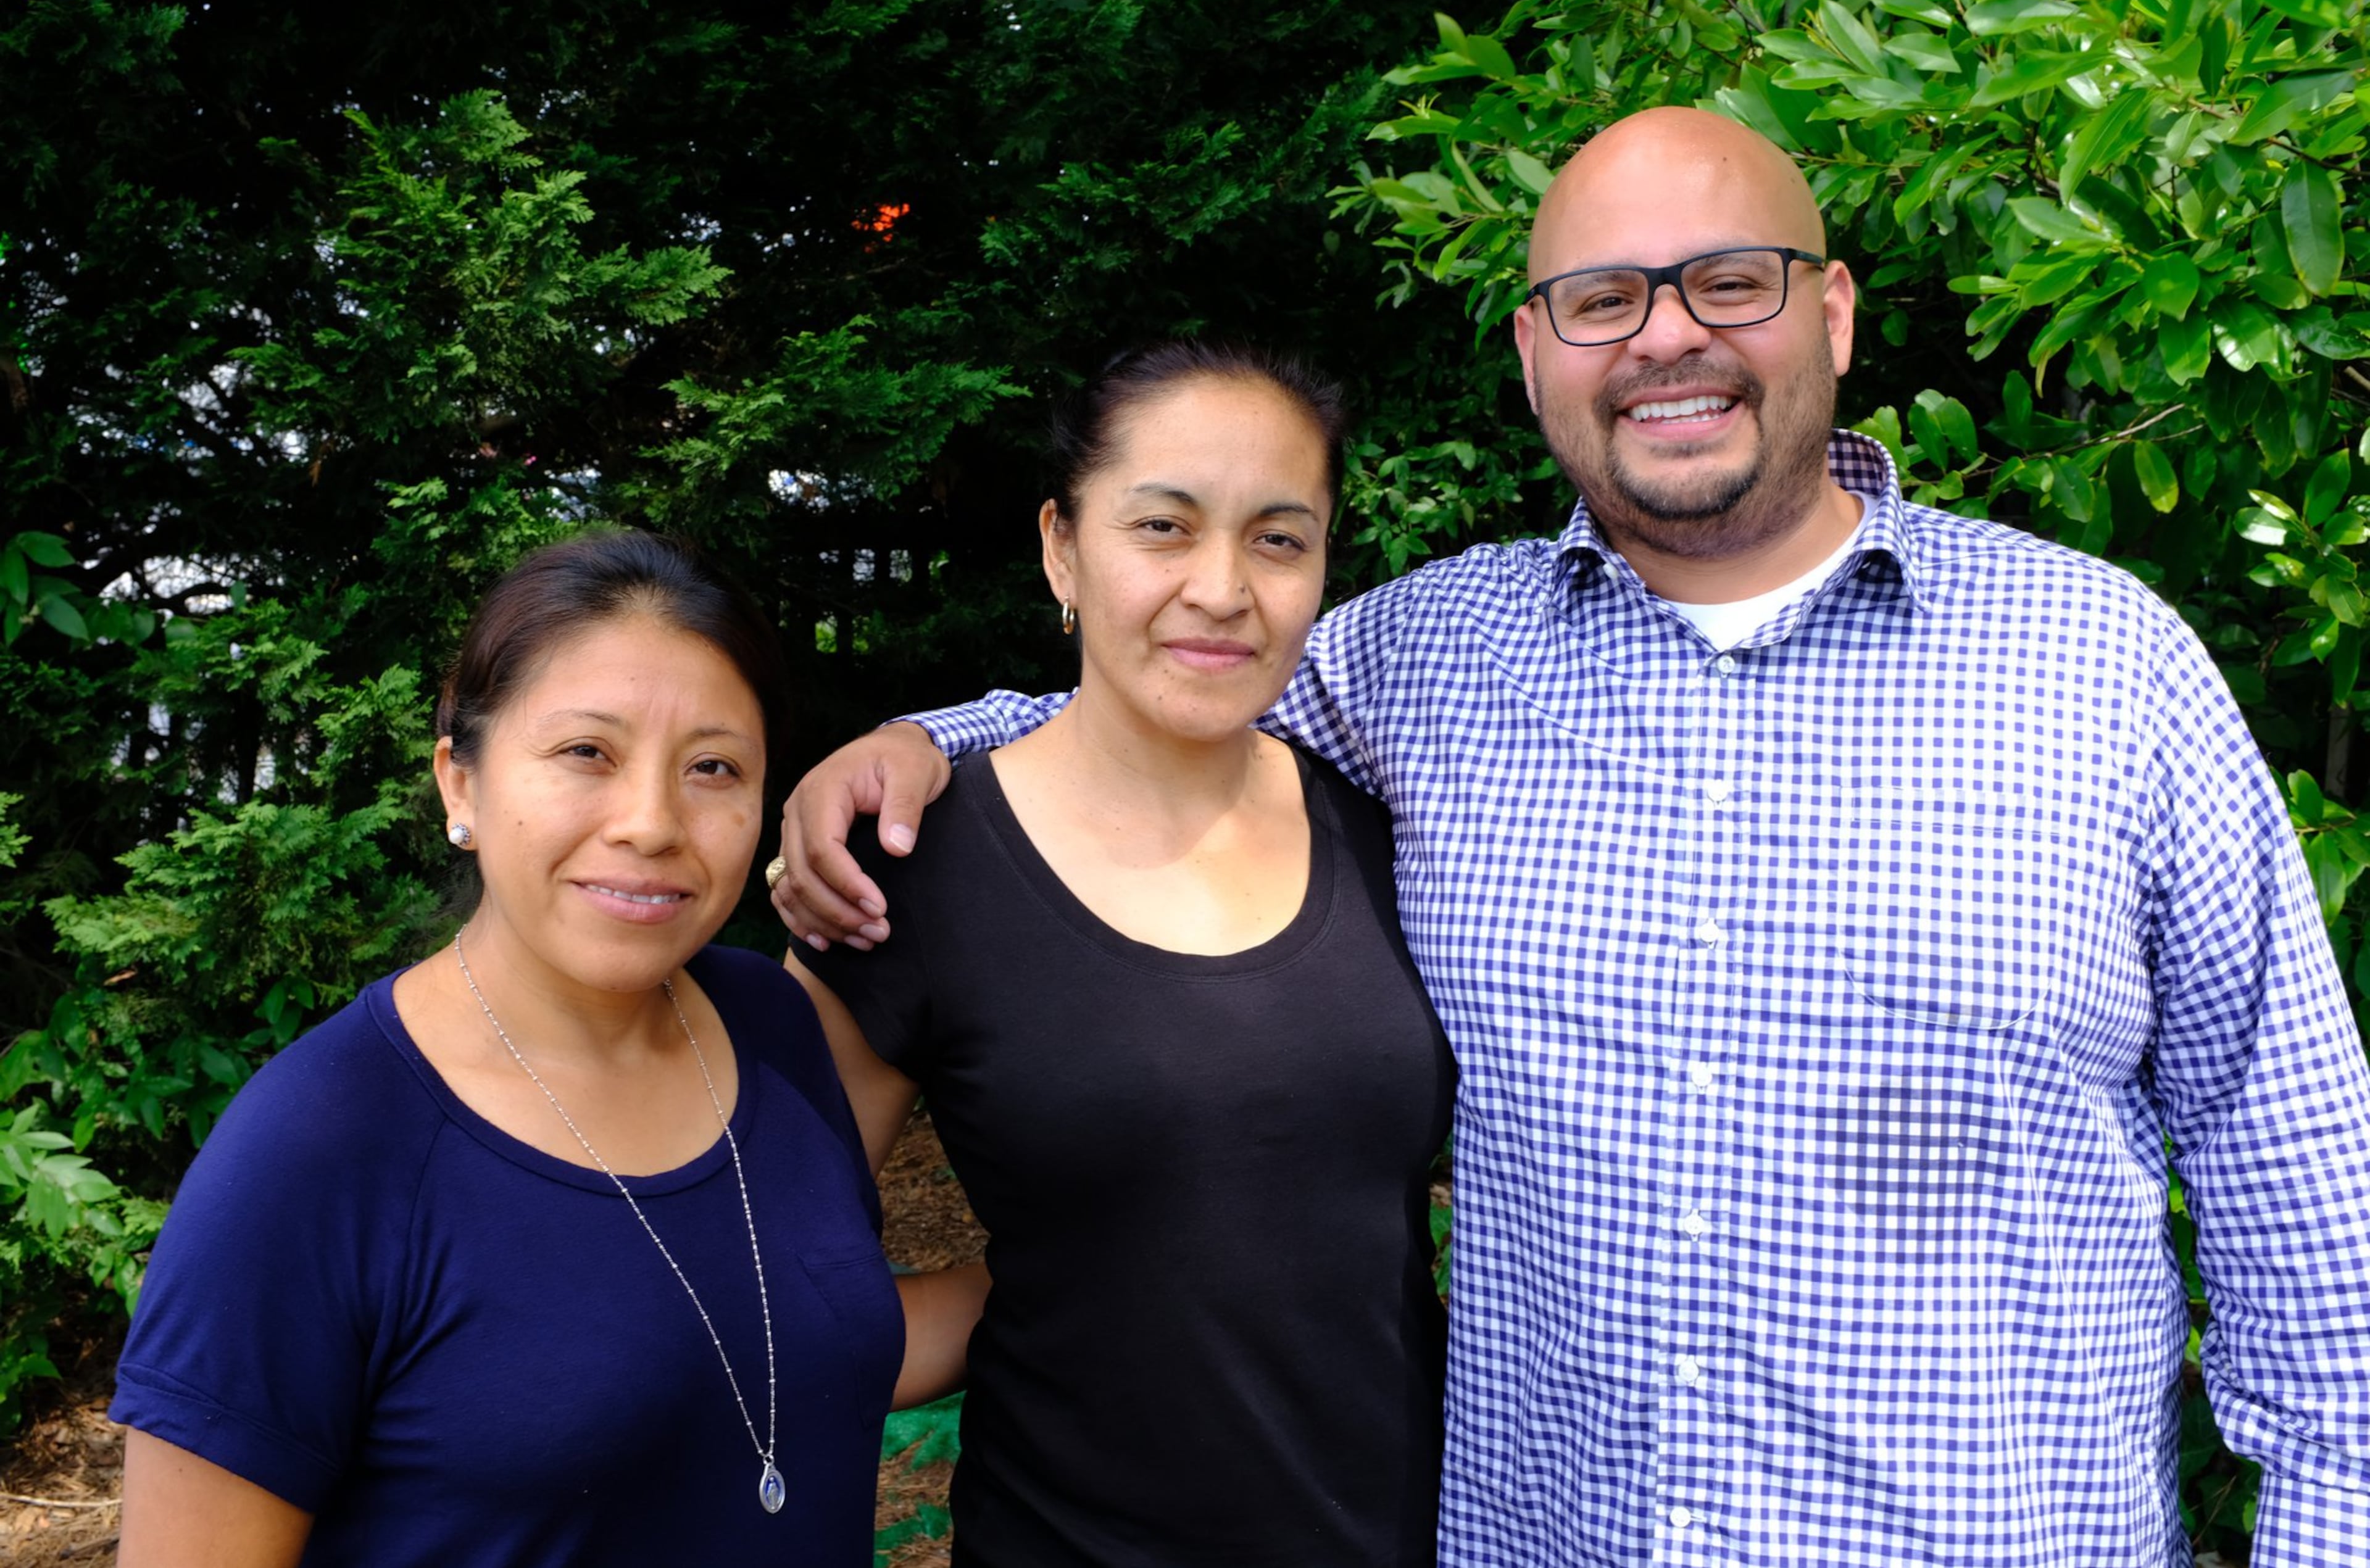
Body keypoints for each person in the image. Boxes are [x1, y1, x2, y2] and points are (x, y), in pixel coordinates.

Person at [773, 108, 2370, 1566]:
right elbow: (1172, 684)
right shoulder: (1436, 661)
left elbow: (2316, 1227)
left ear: (1834, 312)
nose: (1666, 334)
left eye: (1730, 281)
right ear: (1537, 358)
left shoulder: (2105, 669)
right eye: (1604, 298)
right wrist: (923, 742)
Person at [112, 531, 910, 1567]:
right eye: (588, 753)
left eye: (714, 767)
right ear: (461, 784)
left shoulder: (768, 1026)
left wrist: (1121, 1266)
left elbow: (803, 1341)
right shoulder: (317, 1150)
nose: (652, 822)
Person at [782, 340, 1455, 1567]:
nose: (1222, 586)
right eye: (1164, 526)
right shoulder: (914, 872)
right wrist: (1016, 1298)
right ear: (1061, 546)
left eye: (1278, 537)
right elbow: (762, 1266)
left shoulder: (1386, 830)